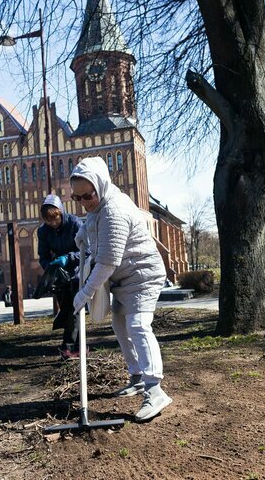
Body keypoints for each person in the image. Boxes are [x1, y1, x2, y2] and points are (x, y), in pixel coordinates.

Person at [69, 157, 172, 423]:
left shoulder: (114, 210)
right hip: (123, 276)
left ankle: (155, 389)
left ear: (100, 186)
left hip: (141, 275)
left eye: (87, 195)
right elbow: (93, 220)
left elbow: (106, 263)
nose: (84, 202)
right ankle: (137, 376)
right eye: (76, 197)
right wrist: (83, 231)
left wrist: (85, 293)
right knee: (119, 323)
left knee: (138, 325)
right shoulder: (98, 203)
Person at [37, 194, 84, 359]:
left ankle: (68, 347)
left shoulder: (75, 224)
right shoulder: (43, 231)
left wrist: (68, 258)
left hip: (77, 273)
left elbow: (88, 250)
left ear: (61, 213)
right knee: (66, 310)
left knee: (74, 310)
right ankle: (78, 347)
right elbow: (42, 255)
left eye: (55, 219)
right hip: (59, 276)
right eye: (48, 220)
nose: (52, 223)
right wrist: (50, 267)